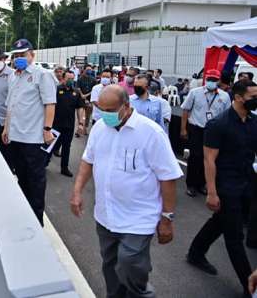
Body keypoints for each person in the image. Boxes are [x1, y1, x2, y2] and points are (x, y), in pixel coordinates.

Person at [70, 85, 182, 298]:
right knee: (110, 267)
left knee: (130, 265)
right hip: (105, 215)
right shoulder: (100, 128)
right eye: (100, 109)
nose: (104, 115)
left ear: (126, 106)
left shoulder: (151, 133)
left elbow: (168, 177)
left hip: (138, 218)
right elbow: (88, 160)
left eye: (110, 110)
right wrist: (77, 192)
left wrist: (167, 218)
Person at [187, 80, 257, 297]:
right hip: (226, 185)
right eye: (252, 96)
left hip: (247, 182)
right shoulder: (219, 124)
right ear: (237, 97)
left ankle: (196, 252)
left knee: (221, 221)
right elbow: (209, 160)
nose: (255, 100)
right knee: (234, 235)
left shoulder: (253, 122)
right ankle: (250, 286)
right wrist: (212, 192)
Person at [2, 38, 57, 225]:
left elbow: (50, 104)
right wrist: (6, 128)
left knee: (36, 181)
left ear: (32, 55)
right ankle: (24, 217)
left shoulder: (43, 75)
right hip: (15, 136)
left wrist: (47, 130)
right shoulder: (13, 76)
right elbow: (11, 104)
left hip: (33, 138)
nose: (18, 58)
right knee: (21, 177)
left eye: (22, 55)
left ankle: (36, 221)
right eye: (16, 55)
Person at [181, 69, 231, 197]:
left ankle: (202, 184)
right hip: (197, 128)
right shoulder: (195, 92)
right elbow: (186, 111)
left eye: (214, 80)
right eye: (209, 79)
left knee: (210, 159)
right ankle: (191, 185)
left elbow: (227, 115)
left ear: (219, 81)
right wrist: (183, 129)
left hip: (214, 131)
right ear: (205, 79)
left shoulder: (224, 96)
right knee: (195, 157)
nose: (211, 82)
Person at [52, 70, 86, 177]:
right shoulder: (56, 90)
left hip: (69, 125)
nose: (71, 81)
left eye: (72, 78)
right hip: (55, 124)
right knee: (50, 145)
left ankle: (64, 168)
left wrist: (81, 123)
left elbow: (80, 108)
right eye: (68, 79)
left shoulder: (75, 92)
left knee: (67, 146)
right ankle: (43, 163)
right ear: (63, 79)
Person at [77, 65, 96, 135]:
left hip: (90, 99)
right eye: (88, 69)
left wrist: (86, 95)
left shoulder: (93, 79)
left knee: (88, 116)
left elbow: (94, 89)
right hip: (80, 99)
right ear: (84, 70)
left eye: (90, 70)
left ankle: (85, 128)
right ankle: (79, 129)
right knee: (80, 115)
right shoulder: (80, 79)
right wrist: (82, 95)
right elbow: (78, 88)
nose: (89, 71)